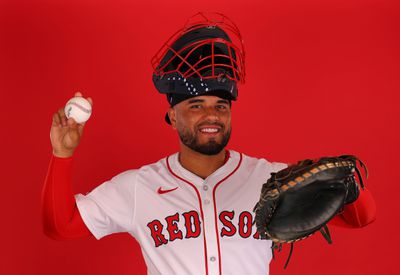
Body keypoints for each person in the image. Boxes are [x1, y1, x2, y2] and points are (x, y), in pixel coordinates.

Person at [42, 12, 376, 275]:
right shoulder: (139, 187)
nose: (211, 115)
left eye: (220, 105)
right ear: (172, 117)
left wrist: (346, 184)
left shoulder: (271, 179)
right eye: (196, 105)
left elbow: (360, 219)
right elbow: (61, 226)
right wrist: (62, 155)